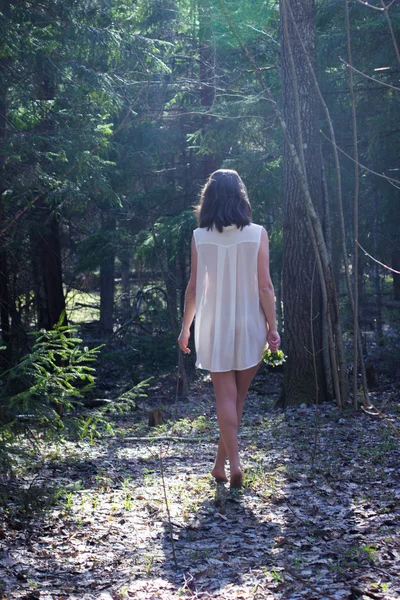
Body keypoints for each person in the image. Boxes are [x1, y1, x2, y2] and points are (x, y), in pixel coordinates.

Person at [177, 169, 280, 489]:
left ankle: (228, 465)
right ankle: (224, 466)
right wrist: (273, 327)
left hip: (214, 325)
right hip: (250, 322)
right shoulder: (258, 233)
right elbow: (265, 286)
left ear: (209, 197)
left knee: (226, 398)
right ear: (240, 196)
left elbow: (193, 288)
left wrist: (185, 329)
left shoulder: (200, 236)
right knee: (238, 399)